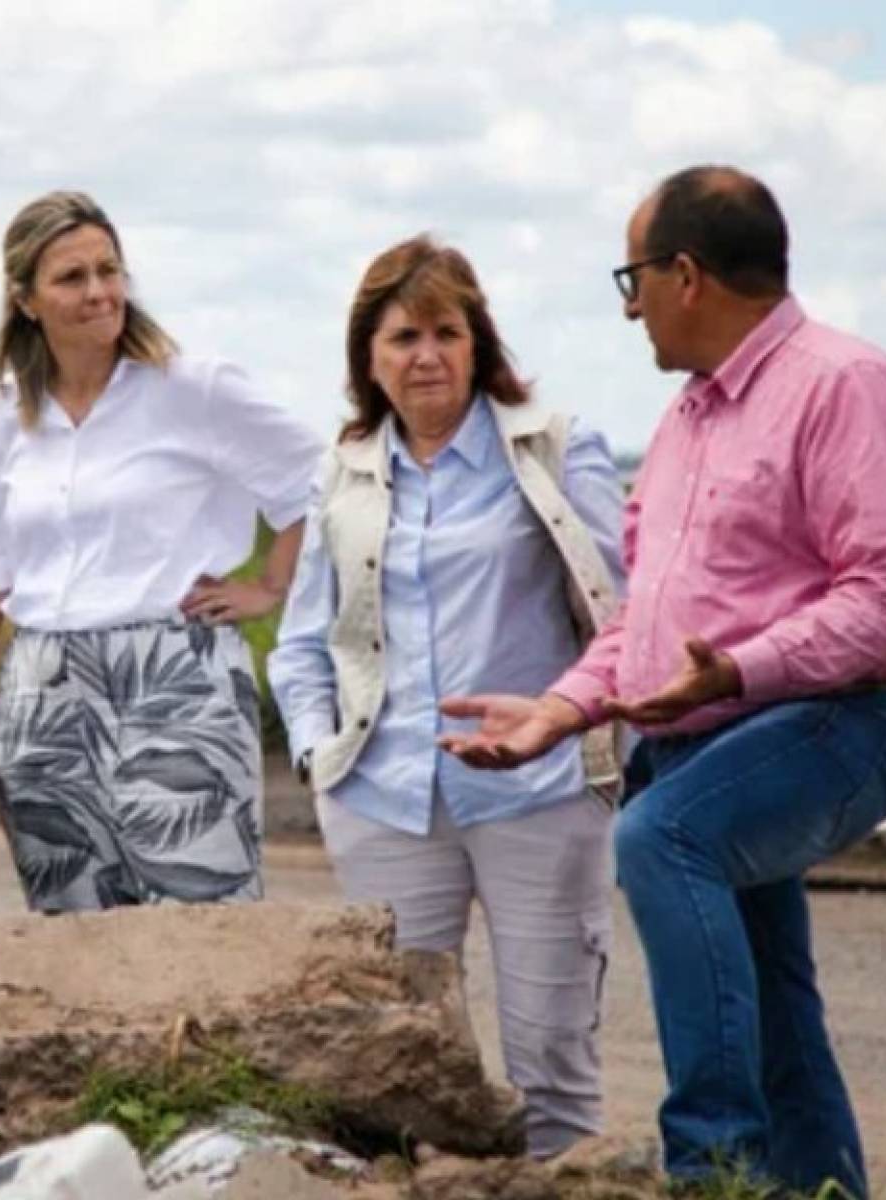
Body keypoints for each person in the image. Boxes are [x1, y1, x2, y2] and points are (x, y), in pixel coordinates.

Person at [440, 166, 886, 1198]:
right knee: (773, 1001)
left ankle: (712, 1167)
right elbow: (642, 621)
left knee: (660, 838)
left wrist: (744, 666)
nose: (628, 310)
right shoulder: (683, 425)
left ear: (685, 274)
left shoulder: (843, 384)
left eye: (633, 280)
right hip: (706, 742)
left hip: (836, 722)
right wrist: (562, 708)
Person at [268, 235, 626, 1157]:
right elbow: (303, 639)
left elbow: (624, 610)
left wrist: (582, 727)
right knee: (404, 1060)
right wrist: (321, 759)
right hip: (384, 800)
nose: (425, 355)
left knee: (550, 1053)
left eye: (445, 332)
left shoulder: (554, 446)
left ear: (479, 344)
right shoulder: (343, 470)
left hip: (539, 795)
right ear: (369, 359)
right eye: (400, 337)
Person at [0, 190, 322, 910]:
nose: (98, 293)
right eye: (71, 278)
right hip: (41, 689)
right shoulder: (5, 407)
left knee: (200, 919)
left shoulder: (194, 387)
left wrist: (269, 588)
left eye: (109, 271)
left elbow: (320, 484)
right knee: (73, 934)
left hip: (176, 678)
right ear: (26, 300)